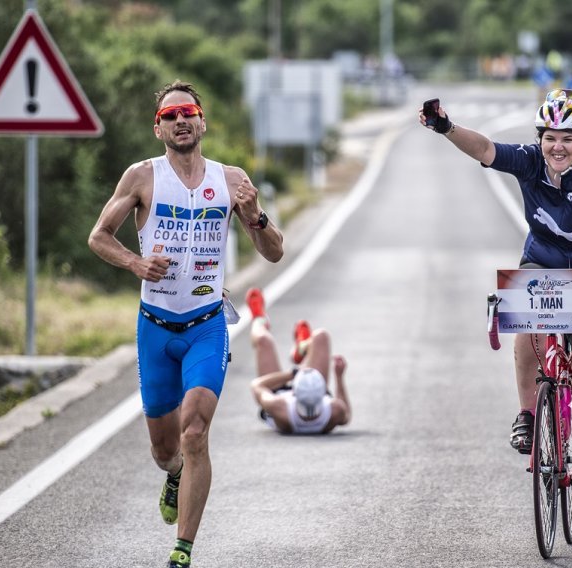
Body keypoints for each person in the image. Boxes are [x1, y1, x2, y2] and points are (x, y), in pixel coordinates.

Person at [88, 79, 283, 568]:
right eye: (170, 116)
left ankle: (183, 548)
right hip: (155, 327)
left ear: (202, 120)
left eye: (187, 113)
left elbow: (275, 252)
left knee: (195, 431)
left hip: (206, 326)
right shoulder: (142, 178)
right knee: (165, 448)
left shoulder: (231, 179)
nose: (180, 121)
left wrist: (254, 214)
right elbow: (98, 236)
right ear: (159, 128)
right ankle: (173, 474)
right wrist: (136, 264)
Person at [419, 86, 572, 520]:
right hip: (543, 263)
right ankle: (528, 413)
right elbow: (487, 149)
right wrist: (445, 127)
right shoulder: (530, 161)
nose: (558, 146)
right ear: (541, 139)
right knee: (524, 316)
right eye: (550, 137)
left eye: (568, 138)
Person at [246, 288, 351, 434]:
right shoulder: (333, 410)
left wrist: (292, 374)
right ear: (323, 393)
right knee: (321, 336)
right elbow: (346, 416)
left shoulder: (279, 406)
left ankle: (259, 319)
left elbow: (257, 385)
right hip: (304, 395)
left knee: (263, 341)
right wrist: (339, 377)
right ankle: (302, 347)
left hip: (277, 391)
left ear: (293, 393)